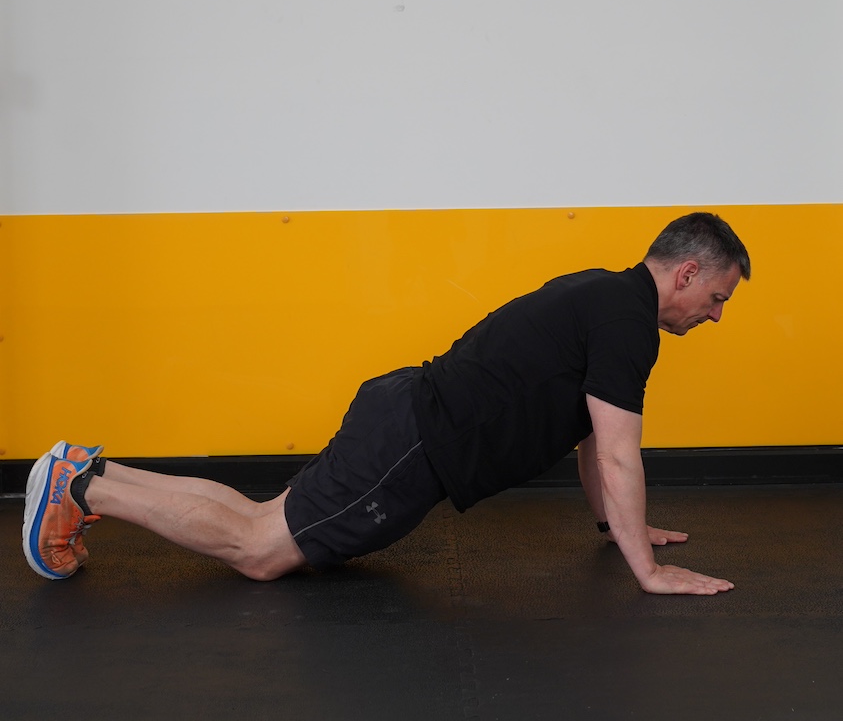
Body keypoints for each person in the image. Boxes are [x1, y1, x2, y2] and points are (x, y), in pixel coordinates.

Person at [23, 211, 750, 595]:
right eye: (716, 297)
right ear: (686, 272)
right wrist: (646, 574)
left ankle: (88, 471)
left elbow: (593, 440)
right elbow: (619, 448)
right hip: (415, 443)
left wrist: (615, 524)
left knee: (268, 524)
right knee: (259, 549)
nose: (714, 315)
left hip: (408, 423)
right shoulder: (625, 323)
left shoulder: (607, 296)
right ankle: (82, 485)